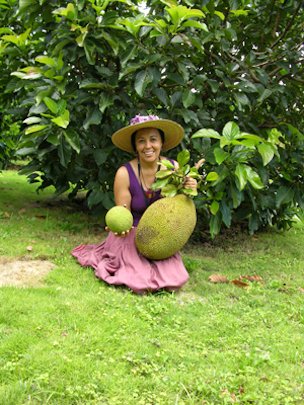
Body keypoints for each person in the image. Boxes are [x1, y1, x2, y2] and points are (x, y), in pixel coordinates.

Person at [72, 114, 197, 294]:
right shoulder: (124, 173)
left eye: (153, 139)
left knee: (173, 276)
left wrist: (189, 186)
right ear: (135, 147)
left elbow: (180, 205)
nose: (148, 146)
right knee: (135, 275)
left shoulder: (174, 169)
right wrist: (119, 225)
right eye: (141, 141)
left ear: (161, 142)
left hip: (160, 234)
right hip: (131, 232)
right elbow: (124, 212)